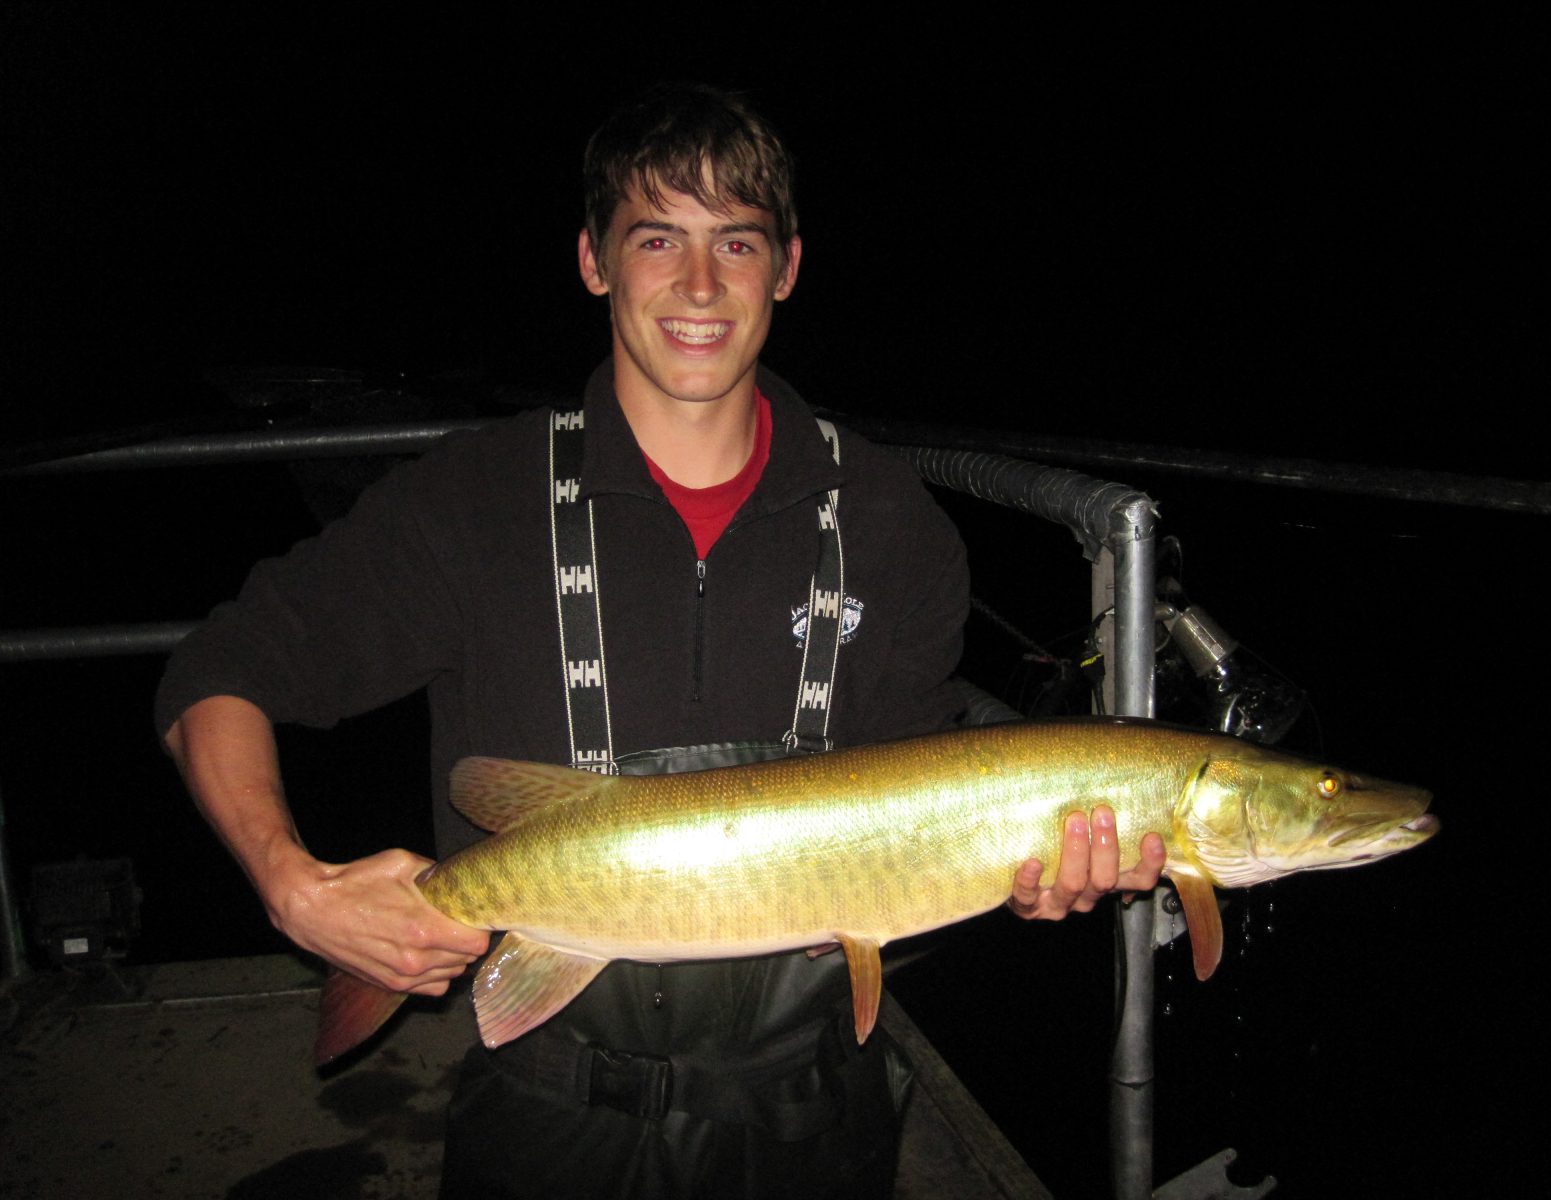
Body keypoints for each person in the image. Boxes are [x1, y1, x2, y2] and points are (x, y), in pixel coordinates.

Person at [156, 83, 1164, 1198]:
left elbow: (912, 841)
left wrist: (1021, 877)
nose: (699, 285)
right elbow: (218, 672)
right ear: (593, 261)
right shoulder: (473, 499)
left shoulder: (895, 526)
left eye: (736, 241)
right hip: (546, 1111)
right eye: (656, 239)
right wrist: (293, 885)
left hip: (808, 1111)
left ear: (786, 267)